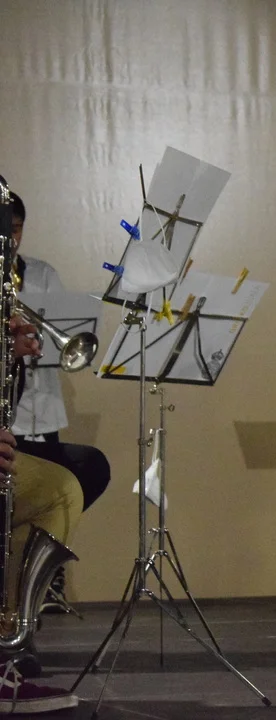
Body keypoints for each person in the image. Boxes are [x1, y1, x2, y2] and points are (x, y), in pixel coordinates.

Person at [8, 191, 111, 614]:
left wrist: (31, 340)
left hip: (42, 407)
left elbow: (61, 332)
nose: (12, 238)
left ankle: (44, 578)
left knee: (82, 472)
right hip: (10, 418)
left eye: (17, 230)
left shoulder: (41, 273)